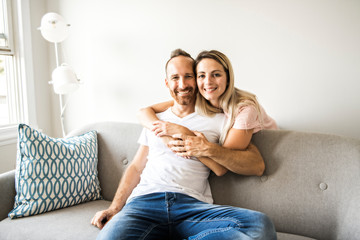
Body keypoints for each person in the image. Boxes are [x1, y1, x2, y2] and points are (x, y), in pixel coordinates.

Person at [91, 49, 277, 239]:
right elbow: (137, 167)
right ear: (167, 83)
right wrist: (114, 208)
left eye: (188, 76)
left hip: (193, 207)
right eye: (175, 78)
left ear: (195, 81)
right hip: (143, 204)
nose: (182, 84)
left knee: (260, 225)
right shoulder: (156, 119)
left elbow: (234, 162)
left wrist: (190, 138)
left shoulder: (221, 119)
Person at [137, 50, 278, 175]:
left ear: (228, 78)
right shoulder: (202, 96)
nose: (208, 82)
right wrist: (164, 133)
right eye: (201, 75)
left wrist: (181, 131)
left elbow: (222, 163)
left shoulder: (245, 109)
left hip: (269, 141)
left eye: (216, 74)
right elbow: (144, 112)